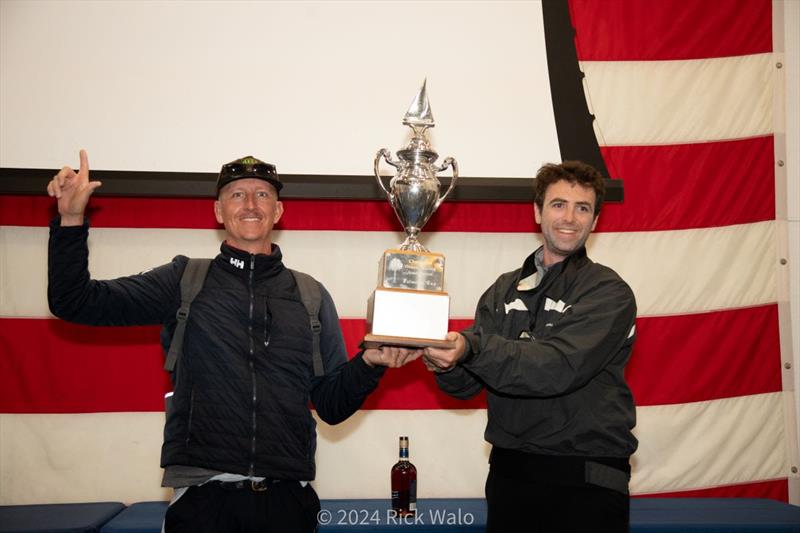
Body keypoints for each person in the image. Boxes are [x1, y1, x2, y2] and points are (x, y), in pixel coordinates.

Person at [47, 150, 421, 533]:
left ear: (277, 212)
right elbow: (73, 301)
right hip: (204, 504)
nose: (250, 204)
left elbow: (331, 405)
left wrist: (369, 364)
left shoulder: (310, 294)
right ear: (218, 211)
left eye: (262, 194)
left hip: (289, 502)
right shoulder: (183, 280)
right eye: (237, 194)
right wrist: (71, 219)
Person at [423, 160, 637, 532]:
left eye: (582, 207)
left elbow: (555, 368)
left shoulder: (608, 292)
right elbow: (467, 386)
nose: (569, 217)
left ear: (596, 220)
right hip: (511, 475)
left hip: (585, 479)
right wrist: (444, 361)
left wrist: (471, 347)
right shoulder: (502, 289)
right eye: (558, 204)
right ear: (537, 211)